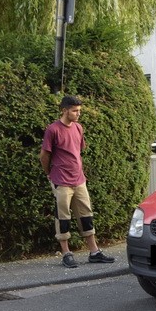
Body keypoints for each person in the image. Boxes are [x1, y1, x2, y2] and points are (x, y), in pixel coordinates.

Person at [39, 95, 116, 268]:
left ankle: (94, 252)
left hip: (79, 179)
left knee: (86, 215)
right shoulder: (53, 129)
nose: (78, 114)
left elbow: (78, 151)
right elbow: (44, 155)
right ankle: (66, 253)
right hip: (61, 180)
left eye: (79, 110)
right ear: (64, 110)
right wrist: (49, 174)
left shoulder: (78, 128)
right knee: (63, 217)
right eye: (75, 111)